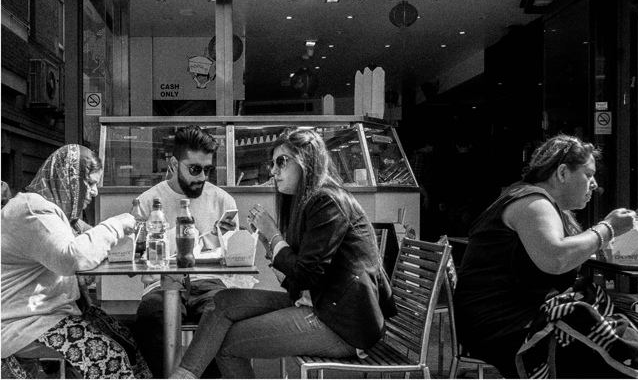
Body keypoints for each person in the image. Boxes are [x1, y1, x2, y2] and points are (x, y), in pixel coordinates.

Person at [169, 127, 397, 379]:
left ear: (305, 161)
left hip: (342, 323)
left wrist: (274, 234)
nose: (273, 171)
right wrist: (268, 242)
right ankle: (183, 375)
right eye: (272, 163)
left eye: (281, 162)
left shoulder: (327, 201)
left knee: (227, 342)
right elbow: (295, 282)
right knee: (222, 301)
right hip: (319, 304)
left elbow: (305, 275)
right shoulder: (309, 202)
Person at [454, 135, 638, 378]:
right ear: (562, 173)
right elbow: (556, 258)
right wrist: (607, 228)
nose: (594, 184)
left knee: (627, 323)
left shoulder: (534, 198)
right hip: (502, 326)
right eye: (588, 174)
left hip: (501, 318)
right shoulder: (533, 202)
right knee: (619, 339)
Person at [0, 144, 151, 379]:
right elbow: (72, 258)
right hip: (22, 323)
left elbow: (93, 247)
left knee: (126, 340)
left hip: (51, 315)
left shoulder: (58, 214)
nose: (95, 192)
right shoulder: (32, 210)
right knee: (108, 355)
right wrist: (117, 224)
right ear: (67, 179)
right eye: (89, 183)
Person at [132, 125, 239, 379]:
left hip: (209, 281)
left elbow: (235, 259)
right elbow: (138, 258)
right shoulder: (147, 202)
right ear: (174, 164)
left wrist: (231, 241)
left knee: (219, 319)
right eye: (194, 169)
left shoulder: (222, 201)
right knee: (151, 318)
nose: (202, 177)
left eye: (208, 170)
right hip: (161, 283)